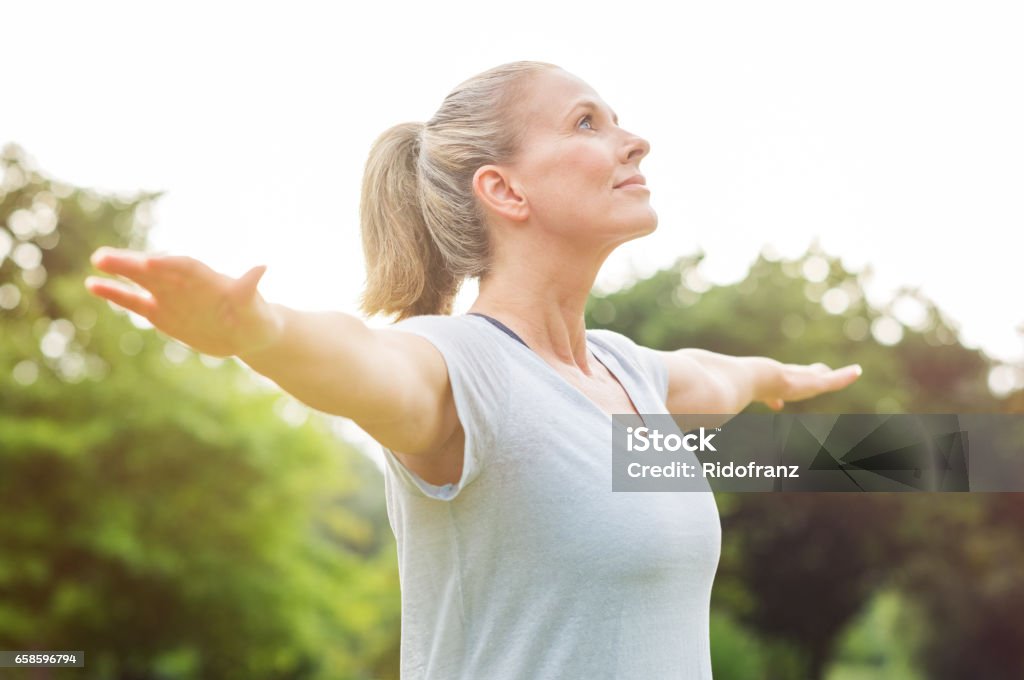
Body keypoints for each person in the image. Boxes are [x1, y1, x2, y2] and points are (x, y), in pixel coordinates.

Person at [85, 60, 862, 679]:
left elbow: (726, 376)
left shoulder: (635, 381)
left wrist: (786, 381)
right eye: (587, 121)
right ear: (503, 189)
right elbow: (364, 360)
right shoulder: (470, 372)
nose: (634, 141)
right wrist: (261, 330)